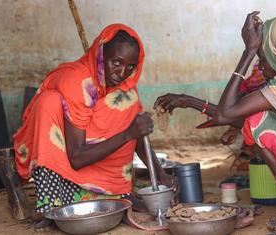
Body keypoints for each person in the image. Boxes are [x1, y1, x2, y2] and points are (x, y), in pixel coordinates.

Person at [154, 11, 276, 201]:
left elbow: (226, 114)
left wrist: (249, 51)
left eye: (262, 57)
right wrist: (187, 101)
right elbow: (235, 115)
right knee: (257, 118)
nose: (259, 66)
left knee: (257, 122)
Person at [13, 24, 175, 221]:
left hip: (99, 171)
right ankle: (52, 205)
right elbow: (77, 158)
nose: (122, 72)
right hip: (65, 169)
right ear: (100, 53)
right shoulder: (76, 81)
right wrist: (128, 133)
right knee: (48, 102)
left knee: (127, 99)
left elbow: (138, 136)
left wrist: (160, 174)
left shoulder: (122, 88)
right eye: (116, 62)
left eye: (130, 66)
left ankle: (111, 192)